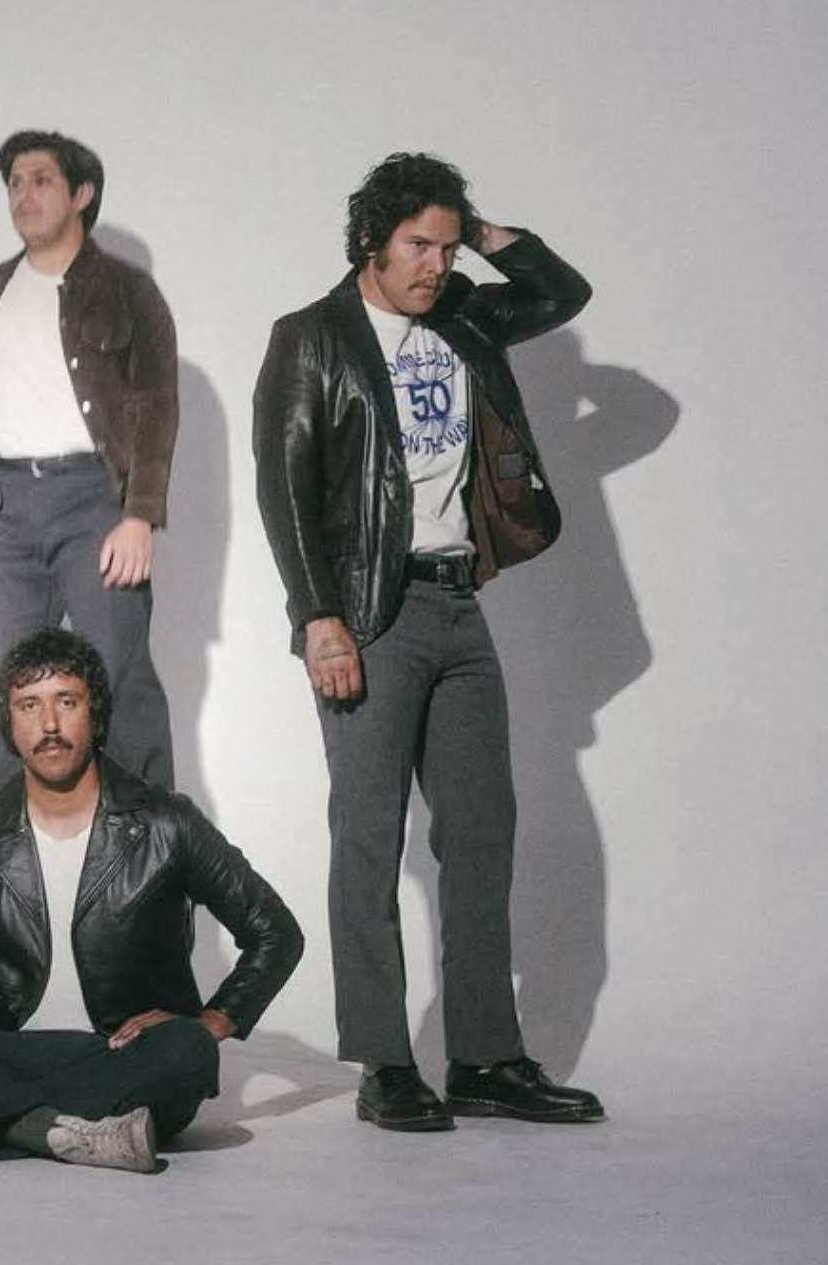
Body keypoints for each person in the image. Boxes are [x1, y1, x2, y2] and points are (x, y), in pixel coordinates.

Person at [252, 153, 605, 1132]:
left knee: (482, 833)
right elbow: (285, 486)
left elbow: (562, 292)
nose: (435, 266)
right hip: (369, 613)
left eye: (448, 248)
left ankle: (485, 1057)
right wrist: (318, 618)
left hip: (459, 604)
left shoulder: (465, 316)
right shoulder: (312, 337)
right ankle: (384, 1063)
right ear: (371, 240)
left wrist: (481, 231)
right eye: (418, 245)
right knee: (370, 840)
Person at [0, 628, 303, 1172]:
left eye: (67, 702)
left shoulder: (166, 822)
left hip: (124, 1055)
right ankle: (70, 1134)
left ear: (95, 716)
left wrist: (213, 1022)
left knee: (188, 1051)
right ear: (10, 724)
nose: (49, 724)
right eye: (29, 705)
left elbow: (276, 932)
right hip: (11, 1050)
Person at [0, 129, 179, 797]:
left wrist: (139, 516)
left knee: (117, 675)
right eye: (15, 183)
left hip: (95, 501)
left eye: (41, 180)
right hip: (6, 509)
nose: (24, 195)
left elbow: (157, 408)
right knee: (2, 681)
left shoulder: (128, 290)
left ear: (82, 194)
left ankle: (152, 848)